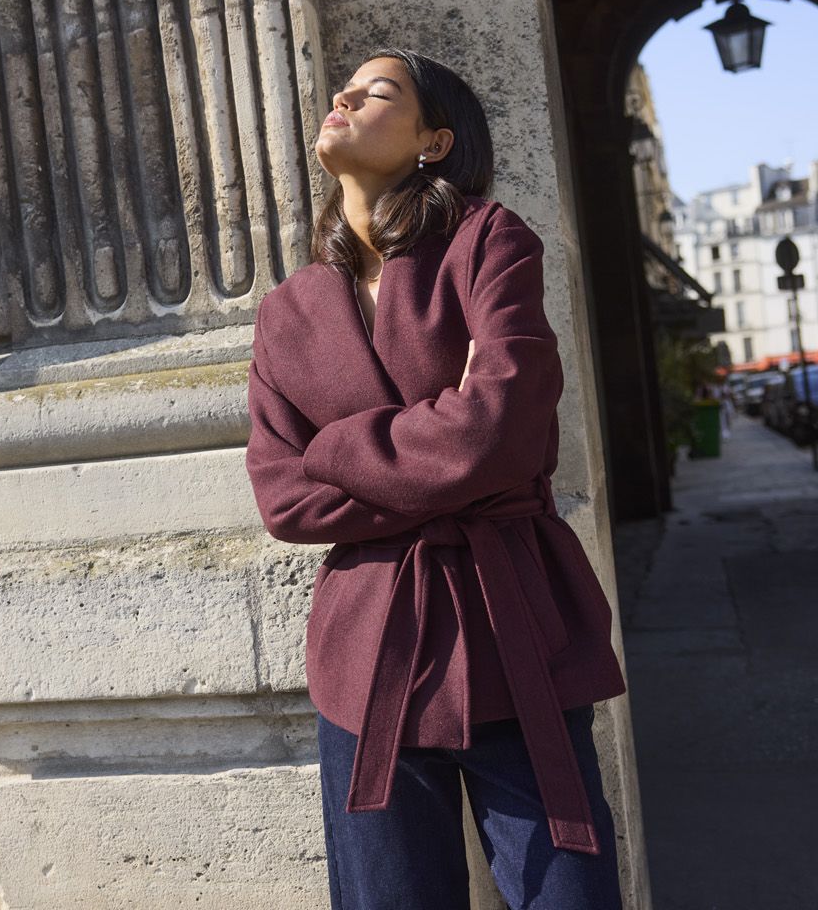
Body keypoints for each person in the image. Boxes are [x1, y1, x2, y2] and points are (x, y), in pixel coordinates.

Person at [243, 48, 627, 910]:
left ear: (434, 141)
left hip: (512, 627)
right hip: (367, 653)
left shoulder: (489, 241)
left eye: (378, 91)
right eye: (345, 88)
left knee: (571, 895)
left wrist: (336, 447)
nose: (345, 96)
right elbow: (283, 496)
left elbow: (498, 429)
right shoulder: (287, 312)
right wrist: (440, 446)